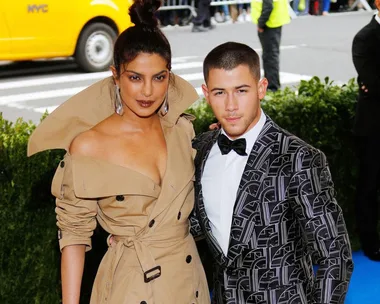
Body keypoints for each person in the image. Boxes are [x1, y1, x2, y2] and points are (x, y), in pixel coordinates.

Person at [27, 0, 210, 303]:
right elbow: (73, 235)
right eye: (135, 77)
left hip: (189, 283)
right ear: (116, 75)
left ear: (170, 76)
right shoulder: (89, 145)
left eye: (159, 77)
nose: (148, 91)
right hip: (131, 285)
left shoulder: (182, 131)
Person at [190, 42, 353, 303]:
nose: (231, 105)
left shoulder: (299, 158)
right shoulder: (199, 150)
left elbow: (335, 256)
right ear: (206, 93)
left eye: (241, 91)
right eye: (220, 92)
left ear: (261, 88)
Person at [352, 0, 380, 262]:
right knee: (370, 185)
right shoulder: (365, 37)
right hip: (374, 127)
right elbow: (373, 80)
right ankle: (371, 242)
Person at [250, 0, 290, 91]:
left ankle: (272, 87)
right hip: (273, 21)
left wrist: (261, 23)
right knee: (269, 55)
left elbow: (268, 6)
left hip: (269, 23)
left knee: (270, 57)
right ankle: (271, 84)